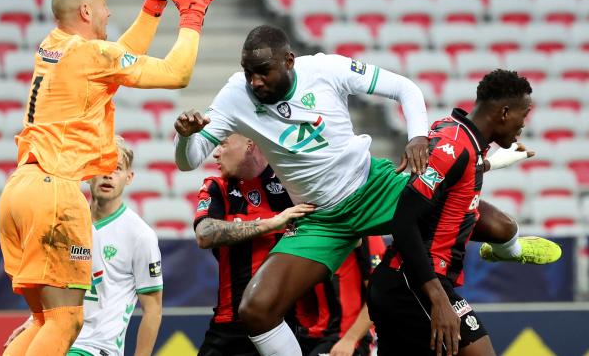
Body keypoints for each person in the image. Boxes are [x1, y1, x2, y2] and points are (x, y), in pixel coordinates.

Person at [173, 25, 561, 356]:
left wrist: (417, 138)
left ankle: (510, 251)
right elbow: (190, 160)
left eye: (263, 71)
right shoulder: (234, 96)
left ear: (289, 61)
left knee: (496, 223)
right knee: (255, 310)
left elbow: (405, 88)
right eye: (248, 72)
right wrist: (184, 138)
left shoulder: (326, 69)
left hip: (371, 185)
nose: (255, 81)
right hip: (321, 217)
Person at [0, 0, 220, 356]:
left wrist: (154, 4)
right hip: (55, 190)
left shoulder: (54, 45)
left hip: (20, 189)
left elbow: (120, 58)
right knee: (67, 321)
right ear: (86, 12)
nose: (109, 13)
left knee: (43, 321)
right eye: (103, 5)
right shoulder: (89, 54)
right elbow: (177, 73)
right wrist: (193, 13)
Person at [367, 70, 562, 356]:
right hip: (410, 282)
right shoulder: (456, 147)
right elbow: (403, 220)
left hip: (407, 283)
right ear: (505, 112)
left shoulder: (459, 134)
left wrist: (491, 164)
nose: (523, 124)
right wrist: (439, 299)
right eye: (524, 113)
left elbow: (451, 179)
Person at [193, 133, 382, 356]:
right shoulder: (218, 188)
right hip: (230, 326)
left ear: (250, 144)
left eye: (223, 144)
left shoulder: (294, 188)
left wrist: (351, 338)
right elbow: (204, 235)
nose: (215, 152)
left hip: (283, 327)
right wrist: (271, 223)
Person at [5, 137, 163, 356]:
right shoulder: (65, 223)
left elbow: (153, 308)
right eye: (103, 167)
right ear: (88, 173)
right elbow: (55, 285)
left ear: (129, 177)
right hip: (58, 334)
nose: (108, 174)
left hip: (95, 347)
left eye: (117, 169)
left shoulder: (140, 235)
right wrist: (34, 320)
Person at [293, 236, 385, 356]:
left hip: (348, 336)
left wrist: (350, 339)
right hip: (311, 334)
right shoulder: (305, 233)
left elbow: (378, 298)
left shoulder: (367, 235)